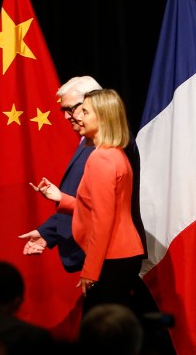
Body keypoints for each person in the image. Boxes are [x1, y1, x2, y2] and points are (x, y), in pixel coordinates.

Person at [18, 76, 147, 275]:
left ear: (95, 102)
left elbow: (103, 214)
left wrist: (91, 271)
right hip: (100, 250)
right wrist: (48, 232)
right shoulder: (90, 142)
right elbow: (88, 203)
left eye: (74, 109)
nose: (68, 116)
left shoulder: (110, 147)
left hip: (111, 252)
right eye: (64, 110)